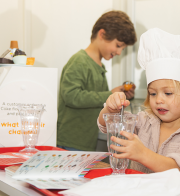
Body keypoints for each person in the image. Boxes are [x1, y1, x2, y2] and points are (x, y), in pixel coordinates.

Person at [97, 28, 180, 190]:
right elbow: (106, 125)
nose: (158, 100)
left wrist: (142, 153)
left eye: (168, 93)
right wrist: (111, 109)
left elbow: (178, 170)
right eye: (152, 93)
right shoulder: (144, 121)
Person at [57, 11, 137, 151]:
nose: (119, 52)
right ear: (102, 34)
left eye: (122, 49)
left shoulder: (100, 66)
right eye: (118, 45)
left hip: (87, 141)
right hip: (70, 142)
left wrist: (117, 98)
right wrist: (108, 94)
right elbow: (71, 96)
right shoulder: (79, 61)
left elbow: (101, 103)